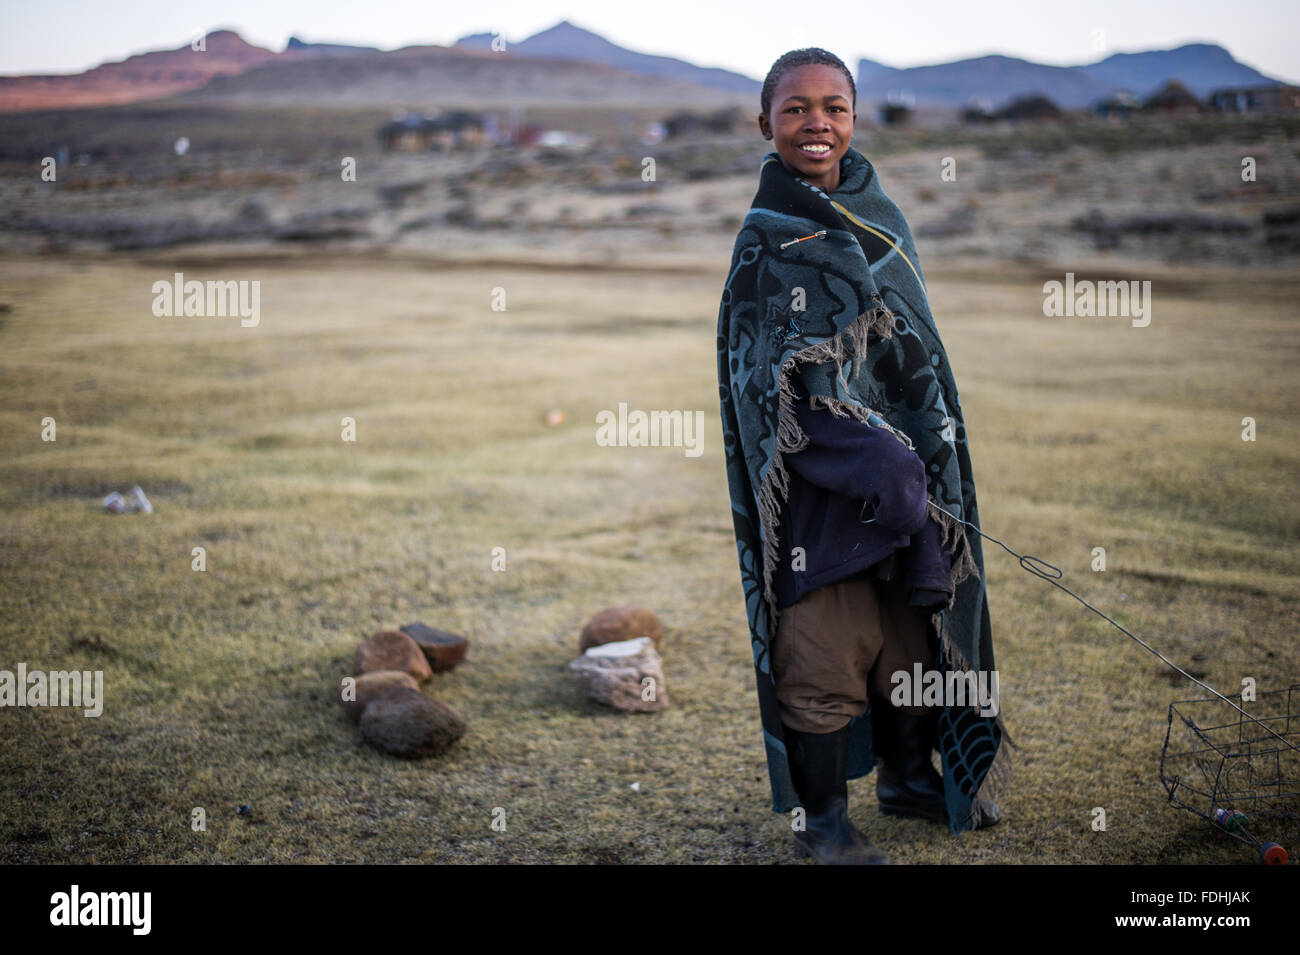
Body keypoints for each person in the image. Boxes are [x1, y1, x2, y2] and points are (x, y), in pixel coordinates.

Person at [717, 47, 1009, 865]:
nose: (818, 124)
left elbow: (912, 350)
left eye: (834, 107)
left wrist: (917, 458)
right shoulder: (767, 238)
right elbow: (765, 382)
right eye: (797, 108)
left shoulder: (880, 212)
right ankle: (824, 824)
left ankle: (910, 779)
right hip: (818, 489)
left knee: (912, 638)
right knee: (822, 650)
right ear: (765, 122)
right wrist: (875, 460)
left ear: (855, 115)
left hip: (912, 482)